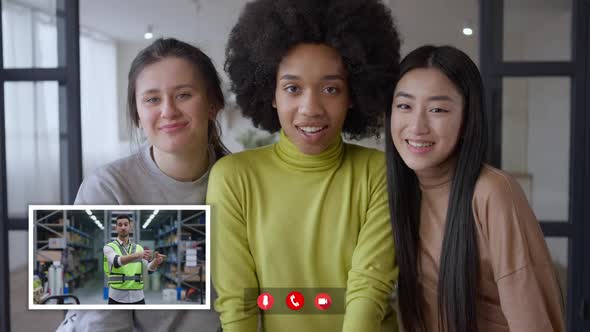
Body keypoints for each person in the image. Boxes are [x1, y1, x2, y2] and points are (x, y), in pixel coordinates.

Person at [206, 0, 401, 331]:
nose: (310, 108)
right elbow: (237, 302)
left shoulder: (378, 172)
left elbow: (370, 289)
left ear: (353, 94)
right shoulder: (234, 177)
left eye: (330, 88)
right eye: (292, 88)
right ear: (270, 93)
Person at [385, 45, 565, 331]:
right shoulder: (397, 192)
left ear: (467, 118)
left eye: (437, 109)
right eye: (404, 106)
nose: (417, 126)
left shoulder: (492, 191)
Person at [57, 37, 229, 332]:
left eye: (184, 95)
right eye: (152, 99)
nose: (168, 111)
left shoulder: (240, 182)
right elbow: (103, 323)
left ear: (213, 103)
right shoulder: (107, 189)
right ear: (137, 114)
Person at [103, 215, 166, 304]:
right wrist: (137, 255)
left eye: (126, 224)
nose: (123, 227)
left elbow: (149, 269)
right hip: (117, 297)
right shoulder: (109, 247)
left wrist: (155, 262)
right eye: (120, 225)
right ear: (116, 228)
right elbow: (117, 262)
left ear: (130, 227)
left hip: (138, 296)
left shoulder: (139, 248)